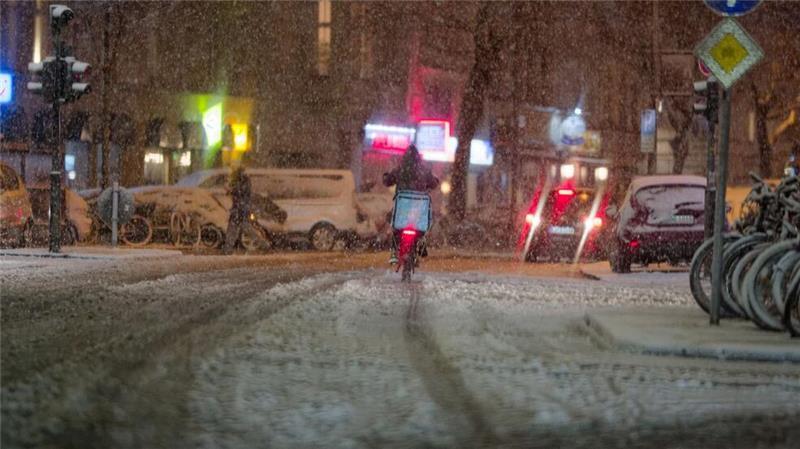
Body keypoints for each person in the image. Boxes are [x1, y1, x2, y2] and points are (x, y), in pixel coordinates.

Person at [383, 144, 439, 264]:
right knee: (426, 222)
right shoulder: (424, 170)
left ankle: (393, 251)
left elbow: (387, 181)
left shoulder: (400, 169)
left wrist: (386, 177)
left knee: (392, 221)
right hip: (418, 210)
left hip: (402, 210)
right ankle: (422, 243)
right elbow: (434, 184)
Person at [223, 165, 252, 254]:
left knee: (234, 228)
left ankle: (228, 248)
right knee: (242, 227)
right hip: (241, 209)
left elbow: (239, 191)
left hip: (239, 209)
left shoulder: (242, 181)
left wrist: (230, 190)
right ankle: (228, 248)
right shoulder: (244, 180)